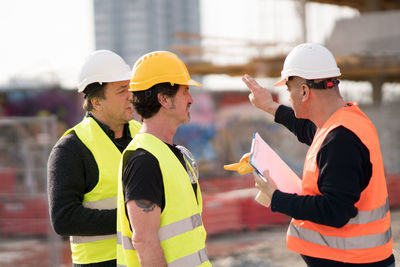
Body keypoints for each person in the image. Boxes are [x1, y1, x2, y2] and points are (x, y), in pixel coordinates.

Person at [242, 43, 394, 266]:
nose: (288, 97)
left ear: (304, 91)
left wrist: (277, 198)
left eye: (289, 90)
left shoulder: (341, 139)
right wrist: (269, 106)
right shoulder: (343, 124)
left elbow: (335, 210)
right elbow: (308, 131)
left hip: (354, 262)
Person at [116, 51, 211, 267]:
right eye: (185, 91)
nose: (191, 99)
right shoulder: (143, 159)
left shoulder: (170, 153)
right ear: (164, 99)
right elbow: (144, 241)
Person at [47, 50, 142, 266]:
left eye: (130, 88)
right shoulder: (71, 148)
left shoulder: (143, 135)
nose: (130, 96)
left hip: (140, 259)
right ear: (97, 102)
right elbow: (64, 219)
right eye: (121, 90)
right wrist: (134, 219)